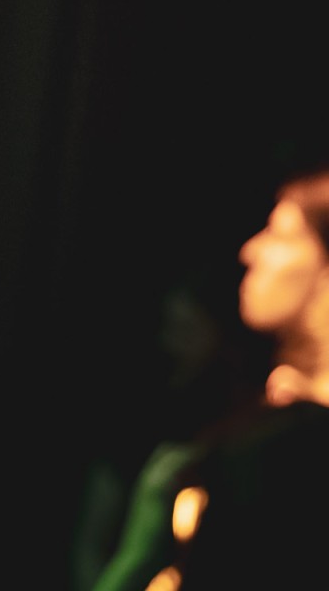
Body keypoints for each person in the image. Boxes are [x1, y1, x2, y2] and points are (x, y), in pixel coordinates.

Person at [89, 169, 329, 590]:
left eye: (281, 234)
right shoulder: (264, 413)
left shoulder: (286, 446)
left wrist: (141, 556)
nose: (251, 251)